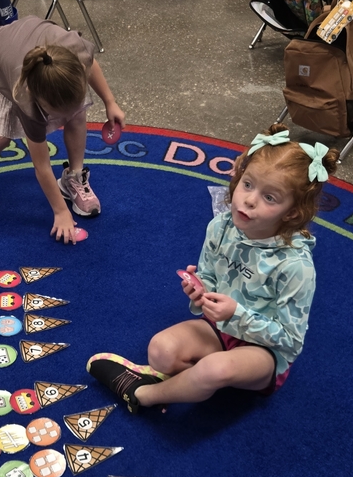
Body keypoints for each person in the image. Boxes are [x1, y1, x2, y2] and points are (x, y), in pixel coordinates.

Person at [87, 124, 339, 411]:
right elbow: (209, 275)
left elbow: (291, 342)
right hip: (220, 329)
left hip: (263, 353)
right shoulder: (221, 226)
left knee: (213, 371)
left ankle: (143, 395)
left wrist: (237, 313)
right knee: (160, 351)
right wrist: (199, 289)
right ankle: (190, 383)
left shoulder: (296, 266)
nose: (249, 200)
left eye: (270, 197)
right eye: (247, 184)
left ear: (292, 212)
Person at [0, 15, 125, 244]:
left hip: (35, 46)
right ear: (39, 100)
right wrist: (60, 212)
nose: (60, 119)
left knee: (77, 115)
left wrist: (110, 101)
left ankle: (74, 176)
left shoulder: (75, 53)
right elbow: (41, 166)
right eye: (55, 112)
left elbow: (91, 65)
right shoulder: (26, 98)